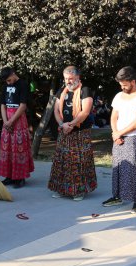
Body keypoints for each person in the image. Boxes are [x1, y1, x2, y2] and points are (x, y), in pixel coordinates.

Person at [101, 67, 136, 214]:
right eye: (120, 84)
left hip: (133, 138)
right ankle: (117, 195)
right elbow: (114, 116)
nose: (122, 87)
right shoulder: (118, 96)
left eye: (124, 84)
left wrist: (119, 133)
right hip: (118, 136)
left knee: (133, 169)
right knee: (118, 167)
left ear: (133, 81)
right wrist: (115, 132)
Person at [48, 66, 97, 201]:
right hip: (64, 130)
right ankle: (61, 189)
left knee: (78, 162)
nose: (68, 81)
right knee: (61, 161)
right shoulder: (61, 91)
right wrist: (62, 124)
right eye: (65, 79)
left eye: (70, 78)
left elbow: (85, 112)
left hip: (80, 132)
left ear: (77, 77)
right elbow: (56, 111)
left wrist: (72, 124)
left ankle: (79, 191)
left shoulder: (85, 90)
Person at [0, 67, 35, 188]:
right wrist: (5, 121)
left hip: (18, 119)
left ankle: (20, 177)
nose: (8, 83)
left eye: (9, 80)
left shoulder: (23, 84)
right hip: (7, 119)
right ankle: (9, 176)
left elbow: (23, 106)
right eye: (6, 82)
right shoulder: (4, 86)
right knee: (7, 147)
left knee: (19, 147)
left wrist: (11, 121)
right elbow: (3, 104)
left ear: (13, 74)